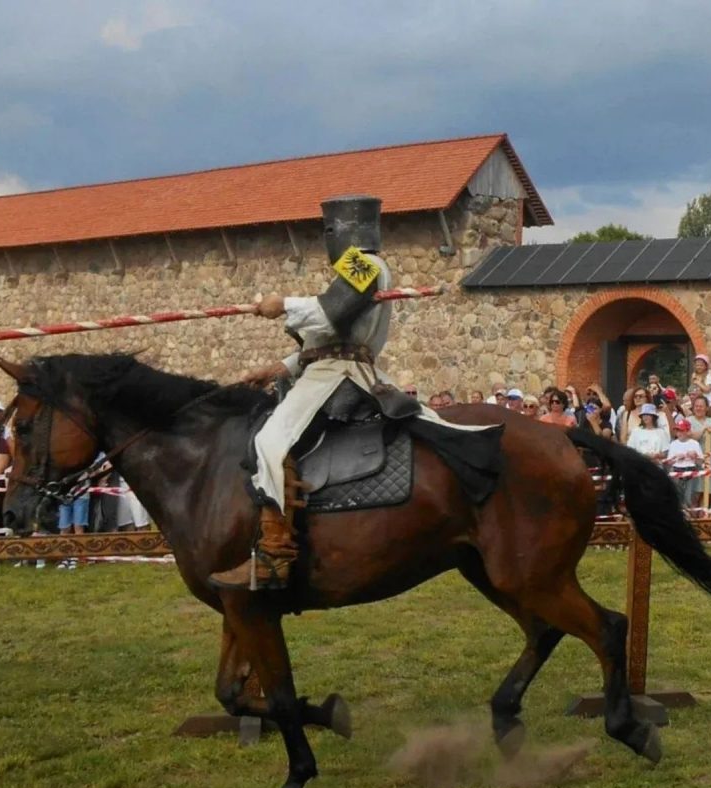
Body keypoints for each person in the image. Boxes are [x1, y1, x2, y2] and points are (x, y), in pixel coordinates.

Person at [211, 195, 499, 591]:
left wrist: (283, 304)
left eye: (328, 229)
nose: (327, 237)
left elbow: (334, 312)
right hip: (331, 365)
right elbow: (331, 335)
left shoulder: (364, 262)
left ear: (342, 229)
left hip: (339, 373)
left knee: (270, 441)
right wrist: (281, 367)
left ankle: (274, 557)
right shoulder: (360, 266)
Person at [666, 419, 703, 509]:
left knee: (689, 497)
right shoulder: (673, 444)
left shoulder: (694, 444)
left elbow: (701, 462)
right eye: (678, 430)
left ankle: (690, 516)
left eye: (682, 430)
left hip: (691, 470)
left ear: (688, 431)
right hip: (677, 471)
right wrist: (676, 458)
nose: (679, 433)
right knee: (678, 497)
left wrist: (694, 456)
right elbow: (669, 462)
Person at [688, 395, 711, 508]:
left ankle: (703, 515)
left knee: (707, 490)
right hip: (695, 459)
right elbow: (690, 436)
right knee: (696, 491)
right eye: (696, 406)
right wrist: (704, 430)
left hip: (710, 458)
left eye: (701, 406)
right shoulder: (688, 420)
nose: (698, 408)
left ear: (706, 408)